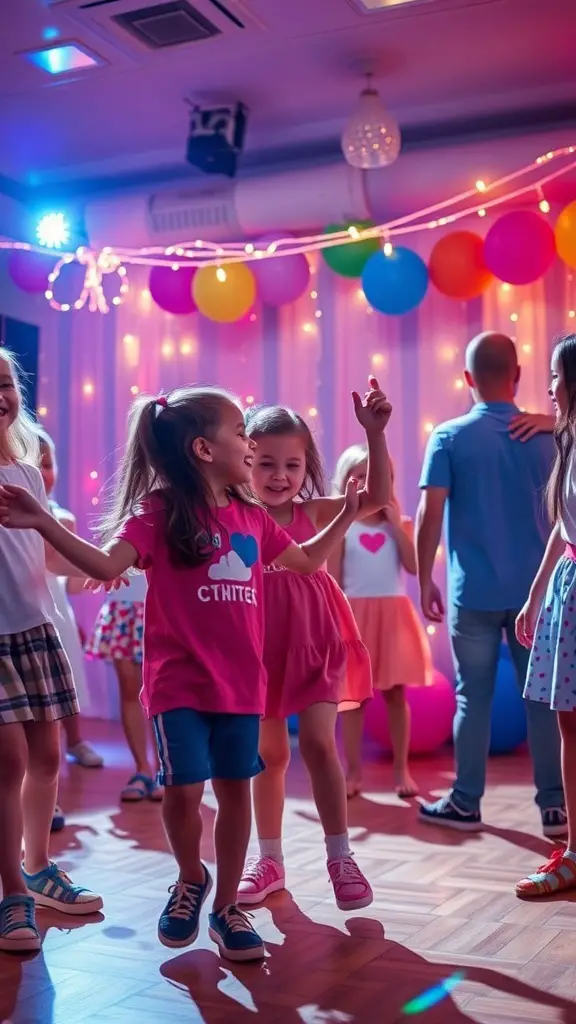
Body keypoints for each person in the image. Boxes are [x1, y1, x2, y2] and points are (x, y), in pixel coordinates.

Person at [0, 384, 365, 963]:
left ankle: (226, 908)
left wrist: (346, 512)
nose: (249, 443)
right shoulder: (158, 512)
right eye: (240, 433)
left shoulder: (253, 517)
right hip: (178, 685)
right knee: (182, 791)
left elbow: (308, 560)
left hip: (243, 687)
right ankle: (190, 876)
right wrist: (42, 520)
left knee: (234, 791)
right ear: (202, 448)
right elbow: (102, 563)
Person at [237, 378, 391, 911]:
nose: (280, 476)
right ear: (243, 462)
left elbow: (377, 499)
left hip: (315, 639)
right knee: (269, 755)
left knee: (320, 745)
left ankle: (340, 856)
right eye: (265, 463)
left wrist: (374, 435)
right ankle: (271, 860)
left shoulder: (318, 511)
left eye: (292, 465)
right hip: (257, 646)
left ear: (307, 468)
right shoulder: (236, 518)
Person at [415, 331, 565, 835]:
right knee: (544, 702)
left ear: (467, 379)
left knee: (470, 697)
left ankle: (465, 801)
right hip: (538, 595)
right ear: (518, 375)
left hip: (472, 593)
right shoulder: (550, 434)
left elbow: (427, 514)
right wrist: (559, 422)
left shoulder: (449, 436)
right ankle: (555, 806)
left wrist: (423, 581)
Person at [0, 348, 103, 956]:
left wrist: (97, 570)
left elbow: (43, 554)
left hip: (34, 630)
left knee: (47, 756)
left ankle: (38, 868)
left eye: (6, 384)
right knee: (8, 762)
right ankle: (10, 887)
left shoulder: (29, 473)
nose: (0, 395)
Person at [329, 447, 432, 799]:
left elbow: (415, 568)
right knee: (353, 699)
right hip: (354, 617)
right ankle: (352, 772)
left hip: (392, 616)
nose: (365, 482)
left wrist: (395, 525)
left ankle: (401, 769)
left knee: (395, 694)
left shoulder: (400, 523)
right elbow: (334, 578)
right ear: (344, 482)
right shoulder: (342, 526)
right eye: (357, 475)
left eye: (373, 474)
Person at [515, 333, 576, 896]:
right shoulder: (569, 441)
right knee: (568, 720)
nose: (549, 389)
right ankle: (575, 850)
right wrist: (536, 594)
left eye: (556, 377)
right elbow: (563, 524)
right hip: (568, 586)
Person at [37, 431, 103, 833]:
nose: (44, 472)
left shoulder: (62, 518)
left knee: (62, 698)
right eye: (36, 462)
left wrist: (97, 567)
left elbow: (71, 580)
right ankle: (45, 797)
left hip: (56, 610)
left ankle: (66, 760)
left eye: (49, 463)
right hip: (26, 611)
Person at [86, 571, 162, 803]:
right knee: (130, 691)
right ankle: (142, 769)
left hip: (160, 604)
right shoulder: (112, 531)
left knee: (161, 693)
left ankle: (164, 770)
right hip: (122, 605)